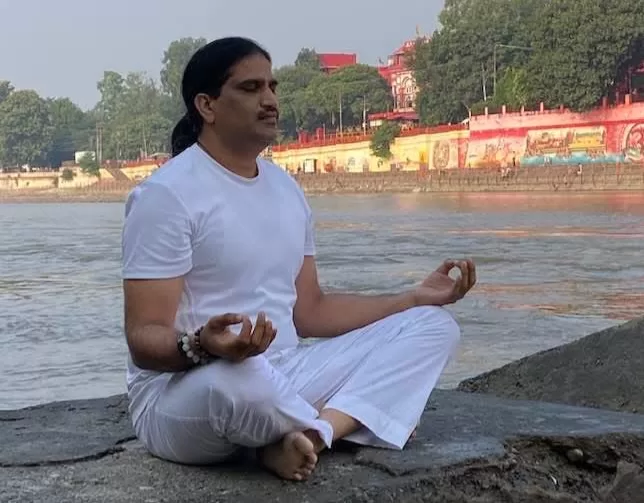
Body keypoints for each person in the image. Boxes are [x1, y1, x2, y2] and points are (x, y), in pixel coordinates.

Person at [121, 36, 476, 482]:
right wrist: (202, 345)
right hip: (189, 389)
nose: (270, 100)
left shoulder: (286, 189)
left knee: (434, 326)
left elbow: (311, 311)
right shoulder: (165, 196)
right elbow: (143, 339)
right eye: (251, 88)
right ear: (207, 106)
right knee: (242, 383)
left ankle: (314, 435)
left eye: (272, 86)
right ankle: (354, 416)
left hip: (285, 372)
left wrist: (413, 298)